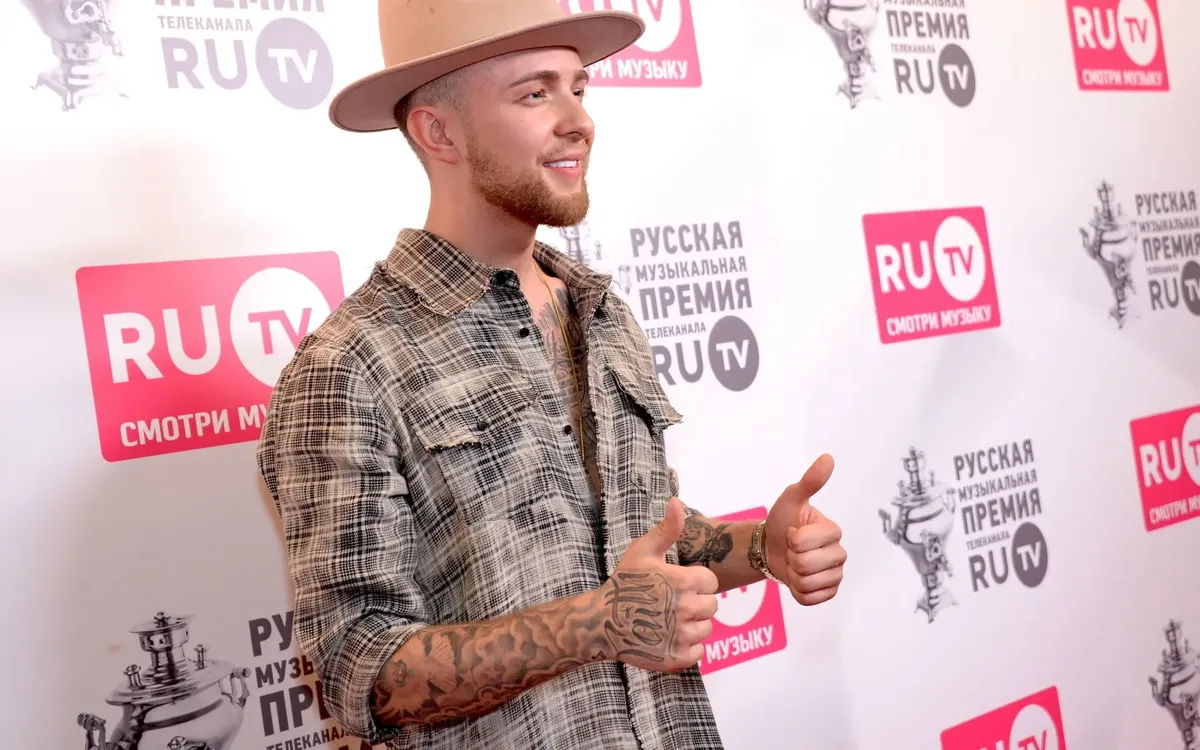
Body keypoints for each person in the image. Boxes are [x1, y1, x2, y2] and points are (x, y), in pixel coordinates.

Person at [256, 1, 848, 748]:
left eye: (578, 88)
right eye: (536, 93)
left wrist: (762, 548)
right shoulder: (348, 365)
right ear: (439, 133)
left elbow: (634, 532)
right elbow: (357, 666)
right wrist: (600, 624)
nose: (579, 121)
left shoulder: (601, 312)